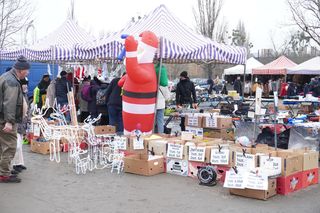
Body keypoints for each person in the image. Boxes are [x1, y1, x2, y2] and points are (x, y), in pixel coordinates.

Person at [0, 56, 30, 183]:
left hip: (2, 117)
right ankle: (4, 174)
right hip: (5, 119)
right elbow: (10, 103)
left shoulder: (6, 76)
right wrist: (9, 121)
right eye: (27, 70)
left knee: (3, 146)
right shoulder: (12, 81)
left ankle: (3, 170)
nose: (28, 73)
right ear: (21, 70)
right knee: (10, 146)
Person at [12, 78, 29, 174]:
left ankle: (19, 163)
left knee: (20, 145)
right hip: (16, 123)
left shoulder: (24, 94)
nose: (26, 86)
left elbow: (27, 109)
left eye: (26, 84)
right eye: (24, 84)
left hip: (22, 124)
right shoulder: (16, 95)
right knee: (16, 145)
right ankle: (14, 164)